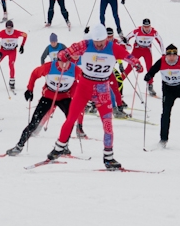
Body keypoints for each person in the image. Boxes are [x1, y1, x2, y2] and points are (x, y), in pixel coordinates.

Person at [47, 24, 143, 170]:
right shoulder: (86, 44)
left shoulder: (113, 47)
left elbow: (129, 56)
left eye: (101, 42)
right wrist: (63, 55)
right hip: (84, 86)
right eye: (96, 42)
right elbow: (67, 51)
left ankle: (108, 158)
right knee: (71, 118)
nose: (98, 45)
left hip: (102, 88)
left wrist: (136, 64)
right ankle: (59, 148)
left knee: (107, 124)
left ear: (106, 39)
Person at [6, 59, 85, 155]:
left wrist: (79, 95)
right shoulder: (49, 67)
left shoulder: (75, 69)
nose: (64, 64)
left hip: (65, 97)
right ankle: (19, 146)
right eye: (61, 62)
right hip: (48, 96)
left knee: (70, 121)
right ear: (57, 60)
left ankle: (63, 146)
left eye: (67, 62)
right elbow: (35, 74)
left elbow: (84, 81)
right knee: (34, 123)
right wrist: (30, 89)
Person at [123, 19, 164, 96]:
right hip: (137, 49)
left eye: (148, 26)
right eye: (145, 26)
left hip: (147, 50)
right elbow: (127, 37)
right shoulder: (137, 31)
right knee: (130, 66)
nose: (147, 28)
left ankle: (150, 85)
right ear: (142, 26)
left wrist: (163, 53)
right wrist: (125, 42)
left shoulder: (154, 32)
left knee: (150, 68)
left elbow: (160, 41)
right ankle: (119, 82)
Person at [0, 20, 27, 91]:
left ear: (12, 27)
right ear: (6, 27)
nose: (9, 30)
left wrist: (22, 46)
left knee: (11, 64)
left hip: (12, 51)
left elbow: (25, 35)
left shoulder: (16, 32)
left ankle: (12, 81)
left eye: (10, 28)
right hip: (3, 51)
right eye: (8, 28)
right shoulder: (2, 33)